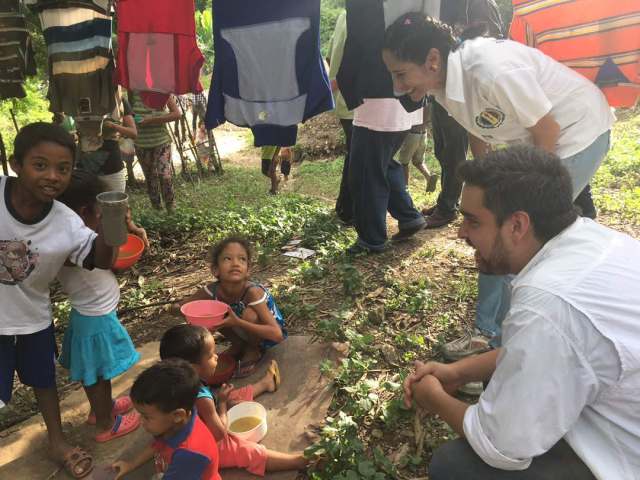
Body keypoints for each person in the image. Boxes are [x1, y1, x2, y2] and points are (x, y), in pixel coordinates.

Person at [382, 13, 614, 355]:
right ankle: (492, 331)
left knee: (515, 233)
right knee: (499, 225)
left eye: (400, 74)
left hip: (577, 132)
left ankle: (497, 339)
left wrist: (528, 197)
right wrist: (485, 186)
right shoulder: (443, 82)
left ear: (432, 59)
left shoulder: (491, 70)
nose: (397, 86)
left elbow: (546, 129)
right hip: (539, 137)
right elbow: (478, 127)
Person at [404, 145, 640, 479]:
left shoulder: (548, 303)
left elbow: (501, 447)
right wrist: (457, 373)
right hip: (621, 412)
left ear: (517, 225)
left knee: (455, 467)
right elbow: (540, 349)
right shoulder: (591, 239)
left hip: (626, 457)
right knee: (500, 383)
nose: (460, 233)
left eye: (472, 221)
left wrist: (433, 397)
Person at [0, 122, 117, 478]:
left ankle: (57, 441)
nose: (52, 175)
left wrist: (111, 224)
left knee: (44, 382)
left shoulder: (66, 222)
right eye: (40, 165)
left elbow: (101, 260)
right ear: (16, 164)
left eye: (63, 168)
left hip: (33, 316)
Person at [56, 171, 141, 443]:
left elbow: (108, 257)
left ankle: (101, 409)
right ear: (84, 213)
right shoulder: (70, 244)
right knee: (97, 374)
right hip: (94, 318)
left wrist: (126, 227)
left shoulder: (75, 237)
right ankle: (106, 423)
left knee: (99, 373)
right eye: (100, 212)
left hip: (93, 314)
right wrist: (111, 224)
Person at [159, 324, 308, 475]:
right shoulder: (201, 399)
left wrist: (220, 400)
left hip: (191, 427)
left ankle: (265, 384)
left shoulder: (169, 380)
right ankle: (298, 461)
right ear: (192, 368)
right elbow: (219, 434)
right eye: (211, 355)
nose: (217, 356)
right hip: (203, 445)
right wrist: (222, 405)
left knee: (231, 395)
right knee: (246, 451)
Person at [423, 0, 504, 228]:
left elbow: (492, 40)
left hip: (464, 85)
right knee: (443, 148)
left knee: (453, 150)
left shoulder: (480, 4)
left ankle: (448, 206)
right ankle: (447, 200)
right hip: (441, 82)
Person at [173, 236, 286, 377]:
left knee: (249, 314)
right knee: (214, 310)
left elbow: (277, 335)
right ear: (215, 270)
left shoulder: (252, 292)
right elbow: (183, 307)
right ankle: (238, 345)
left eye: (242, 259)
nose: (235, 264)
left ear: (248, 270)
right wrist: (177, 309)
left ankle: (253, 350)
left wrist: (238, 322)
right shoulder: (211, 291)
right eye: (227, 259)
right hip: (239, 324)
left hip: (265, 332)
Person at [112, 359, 221, 480]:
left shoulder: (189, 454)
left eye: (146, 417)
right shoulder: (179, 422)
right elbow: (159, 444)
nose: (141, 421)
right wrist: (130, 465)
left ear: (177, 415)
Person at [76, 91, 138, 193]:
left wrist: (114, 126)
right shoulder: (82, 100)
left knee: (115, 205)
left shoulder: (119, 100)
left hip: (112, 166)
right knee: (87, 205)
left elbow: (133, 133)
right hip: (85, 165)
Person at [131, 91, 182, 212]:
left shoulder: (162, 90)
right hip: (141, 143)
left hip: (161, 142)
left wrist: (151, 120)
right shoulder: (132, 92)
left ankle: (171, 208)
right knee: (150, 179)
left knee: (165, 176)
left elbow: (177, 114)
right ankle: (157, 210)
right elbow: (128, 114)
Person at [328, 8, 355, 225]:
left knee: (353, 154)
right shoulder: (362, 17)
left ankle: (345, 207)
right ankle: (348, 209)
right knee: (357, 156)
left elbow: (329, 56)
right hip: (356, 100)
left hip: (344, 99)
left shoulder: (344, 15)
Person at [395, 106, 438, 191]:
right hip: (423, 133)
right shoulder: (426, 98)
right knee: (418, 161)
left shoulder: (413, 97)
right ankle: (429, 177)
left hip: (412, 133)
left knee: (404, 163)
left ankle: (405, 188)